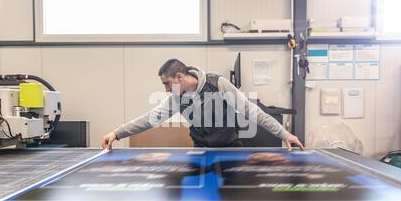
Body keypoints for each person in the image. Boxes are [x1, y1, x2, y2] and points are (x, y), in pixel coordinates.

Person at [101, 59, 304, 151]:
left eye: (166, 83)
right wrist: (117, 133)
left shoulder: (218, 84)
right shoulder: (176, 98)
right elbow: (149, 119)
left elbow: (253, 112)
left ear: (179, 77)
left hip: (229, 151)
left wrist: (285, 134)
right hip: (200, 153)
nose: (165, 90)